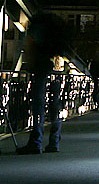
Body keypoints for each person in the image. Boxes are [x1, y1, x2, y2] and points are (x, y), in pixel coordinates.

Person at [16, 12, 68, 154]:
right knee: (55, 106)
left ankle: (35, 142)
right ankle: (54, 142)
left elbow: (30, 44)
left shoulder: (37, 28)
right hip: (57, 70)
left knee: (38, 105)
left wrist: (30, 61)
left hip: (41, 68)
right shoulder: (58, 32)